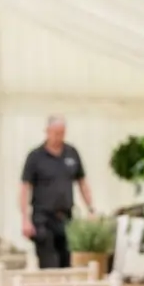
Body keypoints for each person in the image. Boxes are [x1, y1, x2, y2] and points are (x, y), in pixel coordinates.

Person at [20, 115, 95, 268]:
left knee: (66, 261)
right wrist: (25, 219)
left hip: (66, 217)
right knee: (49, 262)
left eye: (61, 133)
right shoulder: (35, 157)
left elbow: (82, 183)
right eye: (55, 133)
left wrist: (90, 208)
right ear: (47, 131)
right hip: (43, 218)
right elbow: (24, 188)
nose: (58, 137)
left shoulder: (72, 153)